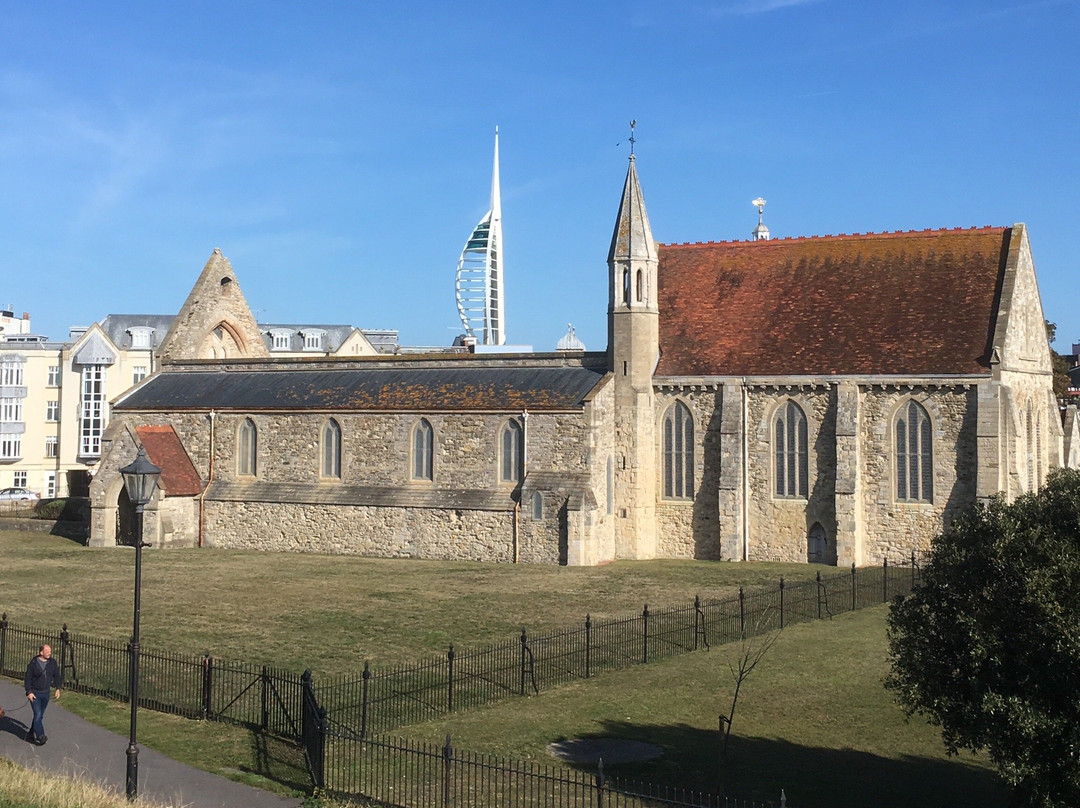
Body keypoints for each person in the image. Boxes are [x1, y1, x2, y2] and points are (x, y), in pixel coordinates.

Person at [24, 644, 62, 745]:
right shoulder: (33, 663)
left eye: (50, 651)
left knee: (40, 716)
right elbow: (28, 678)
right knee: (38, 714)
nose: (50, 652)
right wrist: (29, 691)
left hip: (46, 693)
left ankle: (31, 733)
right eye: (47, 651)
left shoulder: (52, 663)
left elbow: (57, 676)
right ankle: (41, 736)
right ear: (41, 653)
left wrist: (58, 688)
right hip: (35, 693)